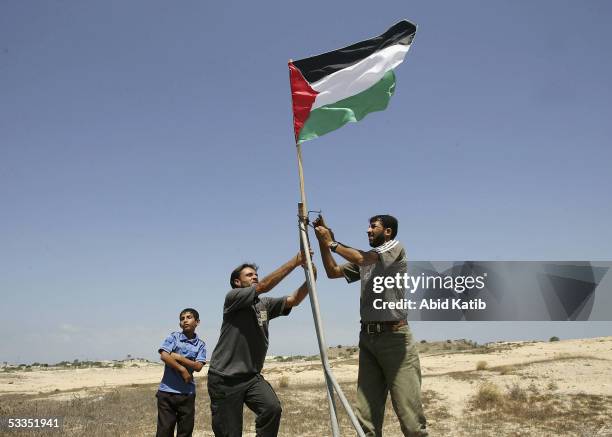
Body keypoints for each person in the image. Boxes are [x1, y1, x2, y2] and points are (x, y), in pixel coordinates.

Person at [314, 214, 427, 437]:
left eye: (373, 226)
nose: (367, 230)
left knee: (411, 421)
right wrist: (323, 242)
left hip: (395, 340)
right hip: (368, 340)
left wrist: (331, 242)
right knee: (365, 423)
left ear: (387, 231)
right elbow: (332, 272)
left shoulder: (393, 247)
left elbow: (364, 258)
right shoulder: (363, 262)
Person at [207, 251, 314, 437]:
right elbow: (264, 286)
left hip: (251, 377)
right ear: (237, 282)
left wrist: (311, 276)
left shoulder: (263, 304)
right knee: (229, 433)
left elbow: (294, 300)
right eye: (249, 275)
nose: (255, 277)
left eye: (255, 274)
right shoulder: (233, 298)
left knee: (272, 409)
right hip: (225, 378)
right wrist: (295, 262)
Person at [156, 307, 207, 437]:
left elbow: (198, 366)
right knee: (164, 431)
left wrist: (179, 358)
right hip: (167, 393)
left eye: (189, 317)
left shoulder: (200, 345)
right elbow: (164, 355)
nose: (185, 321)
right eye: (182, 319)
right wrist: (182, 369)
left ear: (197, 322)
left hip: (187, 394)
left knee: (185, 431)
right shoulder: (174, 337)